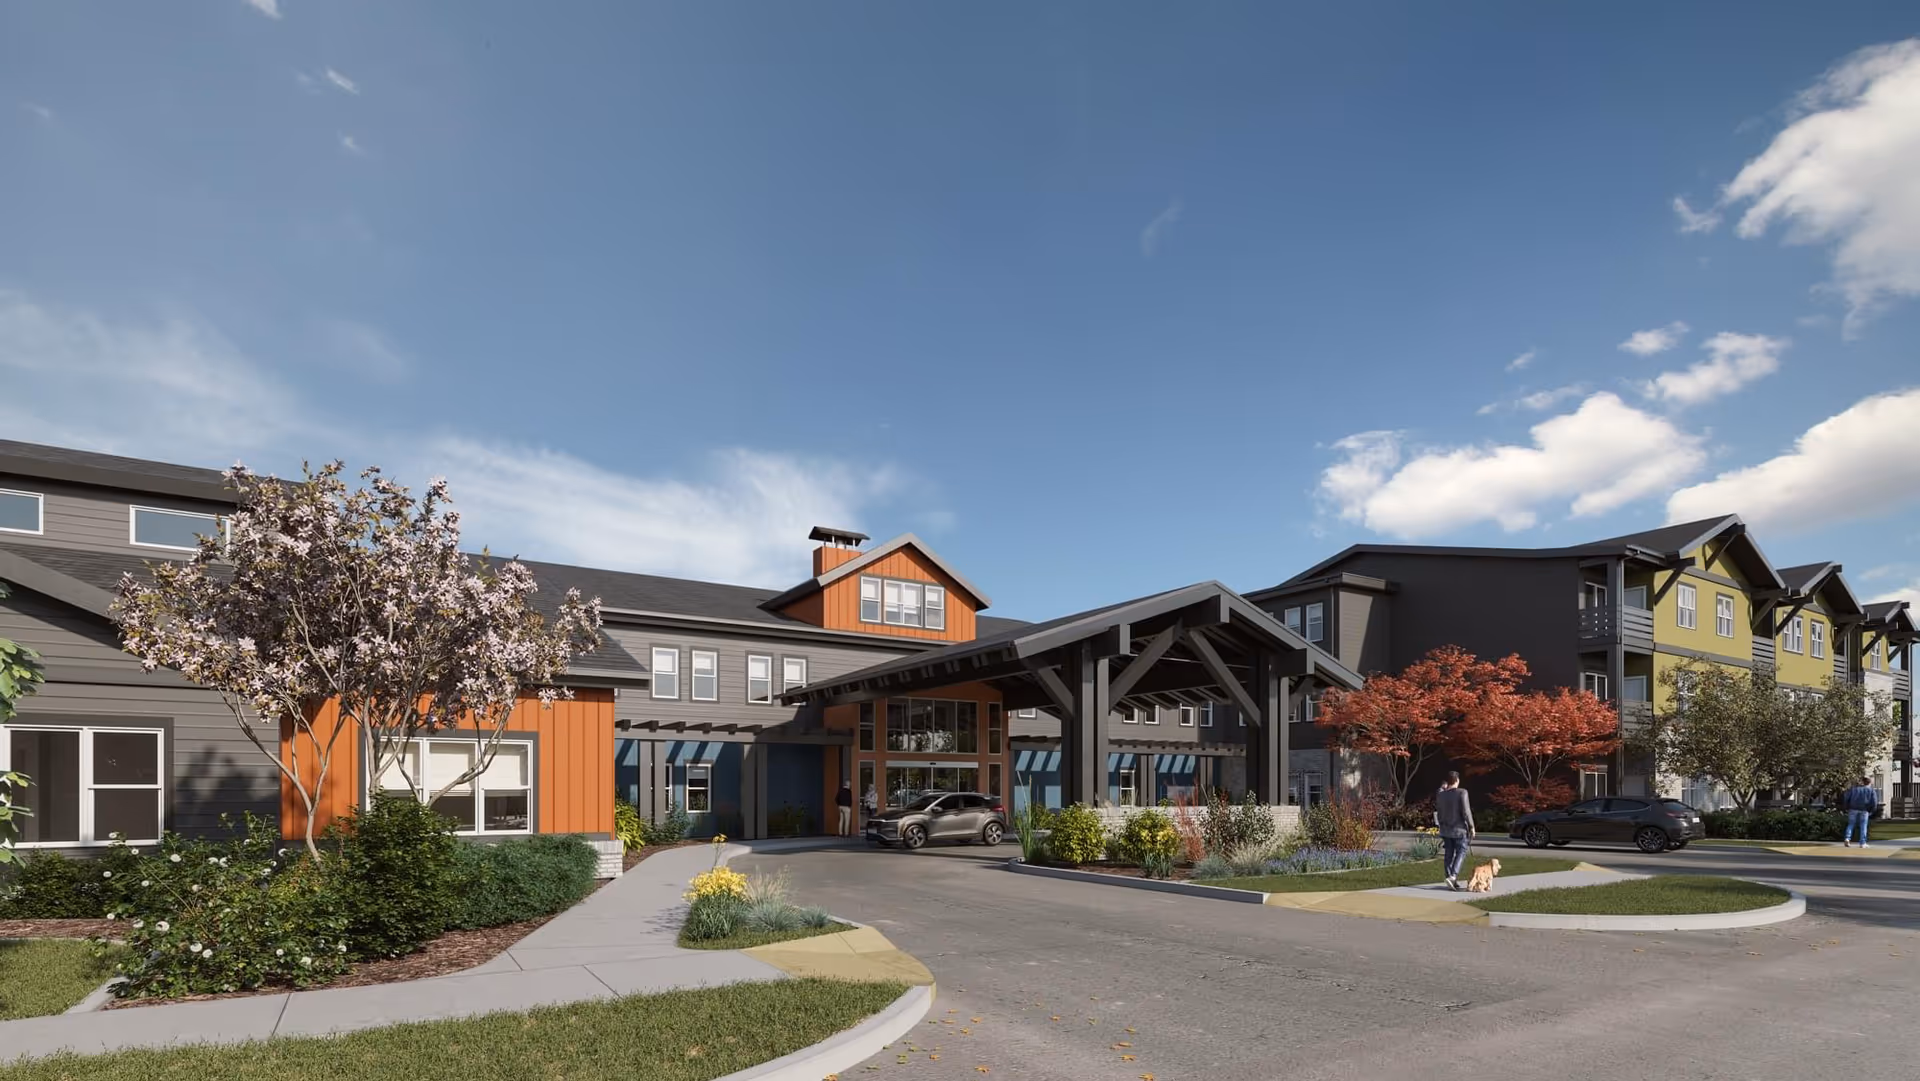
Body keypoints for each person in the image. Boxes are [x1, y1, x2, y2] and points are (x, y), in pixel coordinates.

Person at [1434, 771, 1475, 891]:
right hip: (1459, 829)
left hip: (1445, 829)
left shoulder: (1441, 795)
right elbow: (1466, 811)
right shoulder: (1462, 792)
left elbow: (1439, 812)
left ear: (1448, 781)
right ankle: (1453, 876)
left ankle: (1450, 877)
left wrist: (1441, 824)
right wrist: (1471, 826)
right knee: (1461, 851)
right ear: (1457, 780)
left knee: (1449, 854)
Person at [1841, 776, 1878, 848]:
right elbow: (1874, 802)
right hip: (1864, 810)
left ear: (1863, 782)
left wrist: (1846, 807)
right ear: (1869, 783)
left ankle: (1847, 838)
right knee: (1863, 826)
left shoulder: (1854, 789)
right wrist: (1872, 810)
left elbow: (1846, 798)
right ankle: (1862, 843)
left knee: (1851, 824)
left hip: (1853, 808)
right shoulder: (1871, 790)